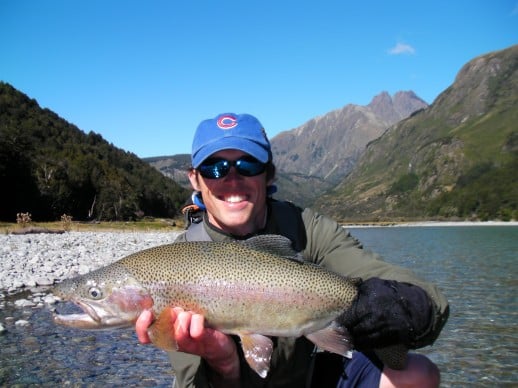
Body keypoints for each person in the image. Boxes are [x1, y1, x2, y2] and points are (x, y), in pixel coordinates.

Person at [136, 113, 449, 387]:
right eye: (215, 168)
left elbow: (430, 299)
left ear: (269, 173)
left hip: (305, 376)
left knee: (418, 374)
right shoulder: (172, 266)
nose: (232, 179)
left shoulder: (307, 229)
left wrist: (403, 307)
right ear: (195, 178)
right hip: (223, 384)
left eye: (247, 165)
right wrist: (223, 361)